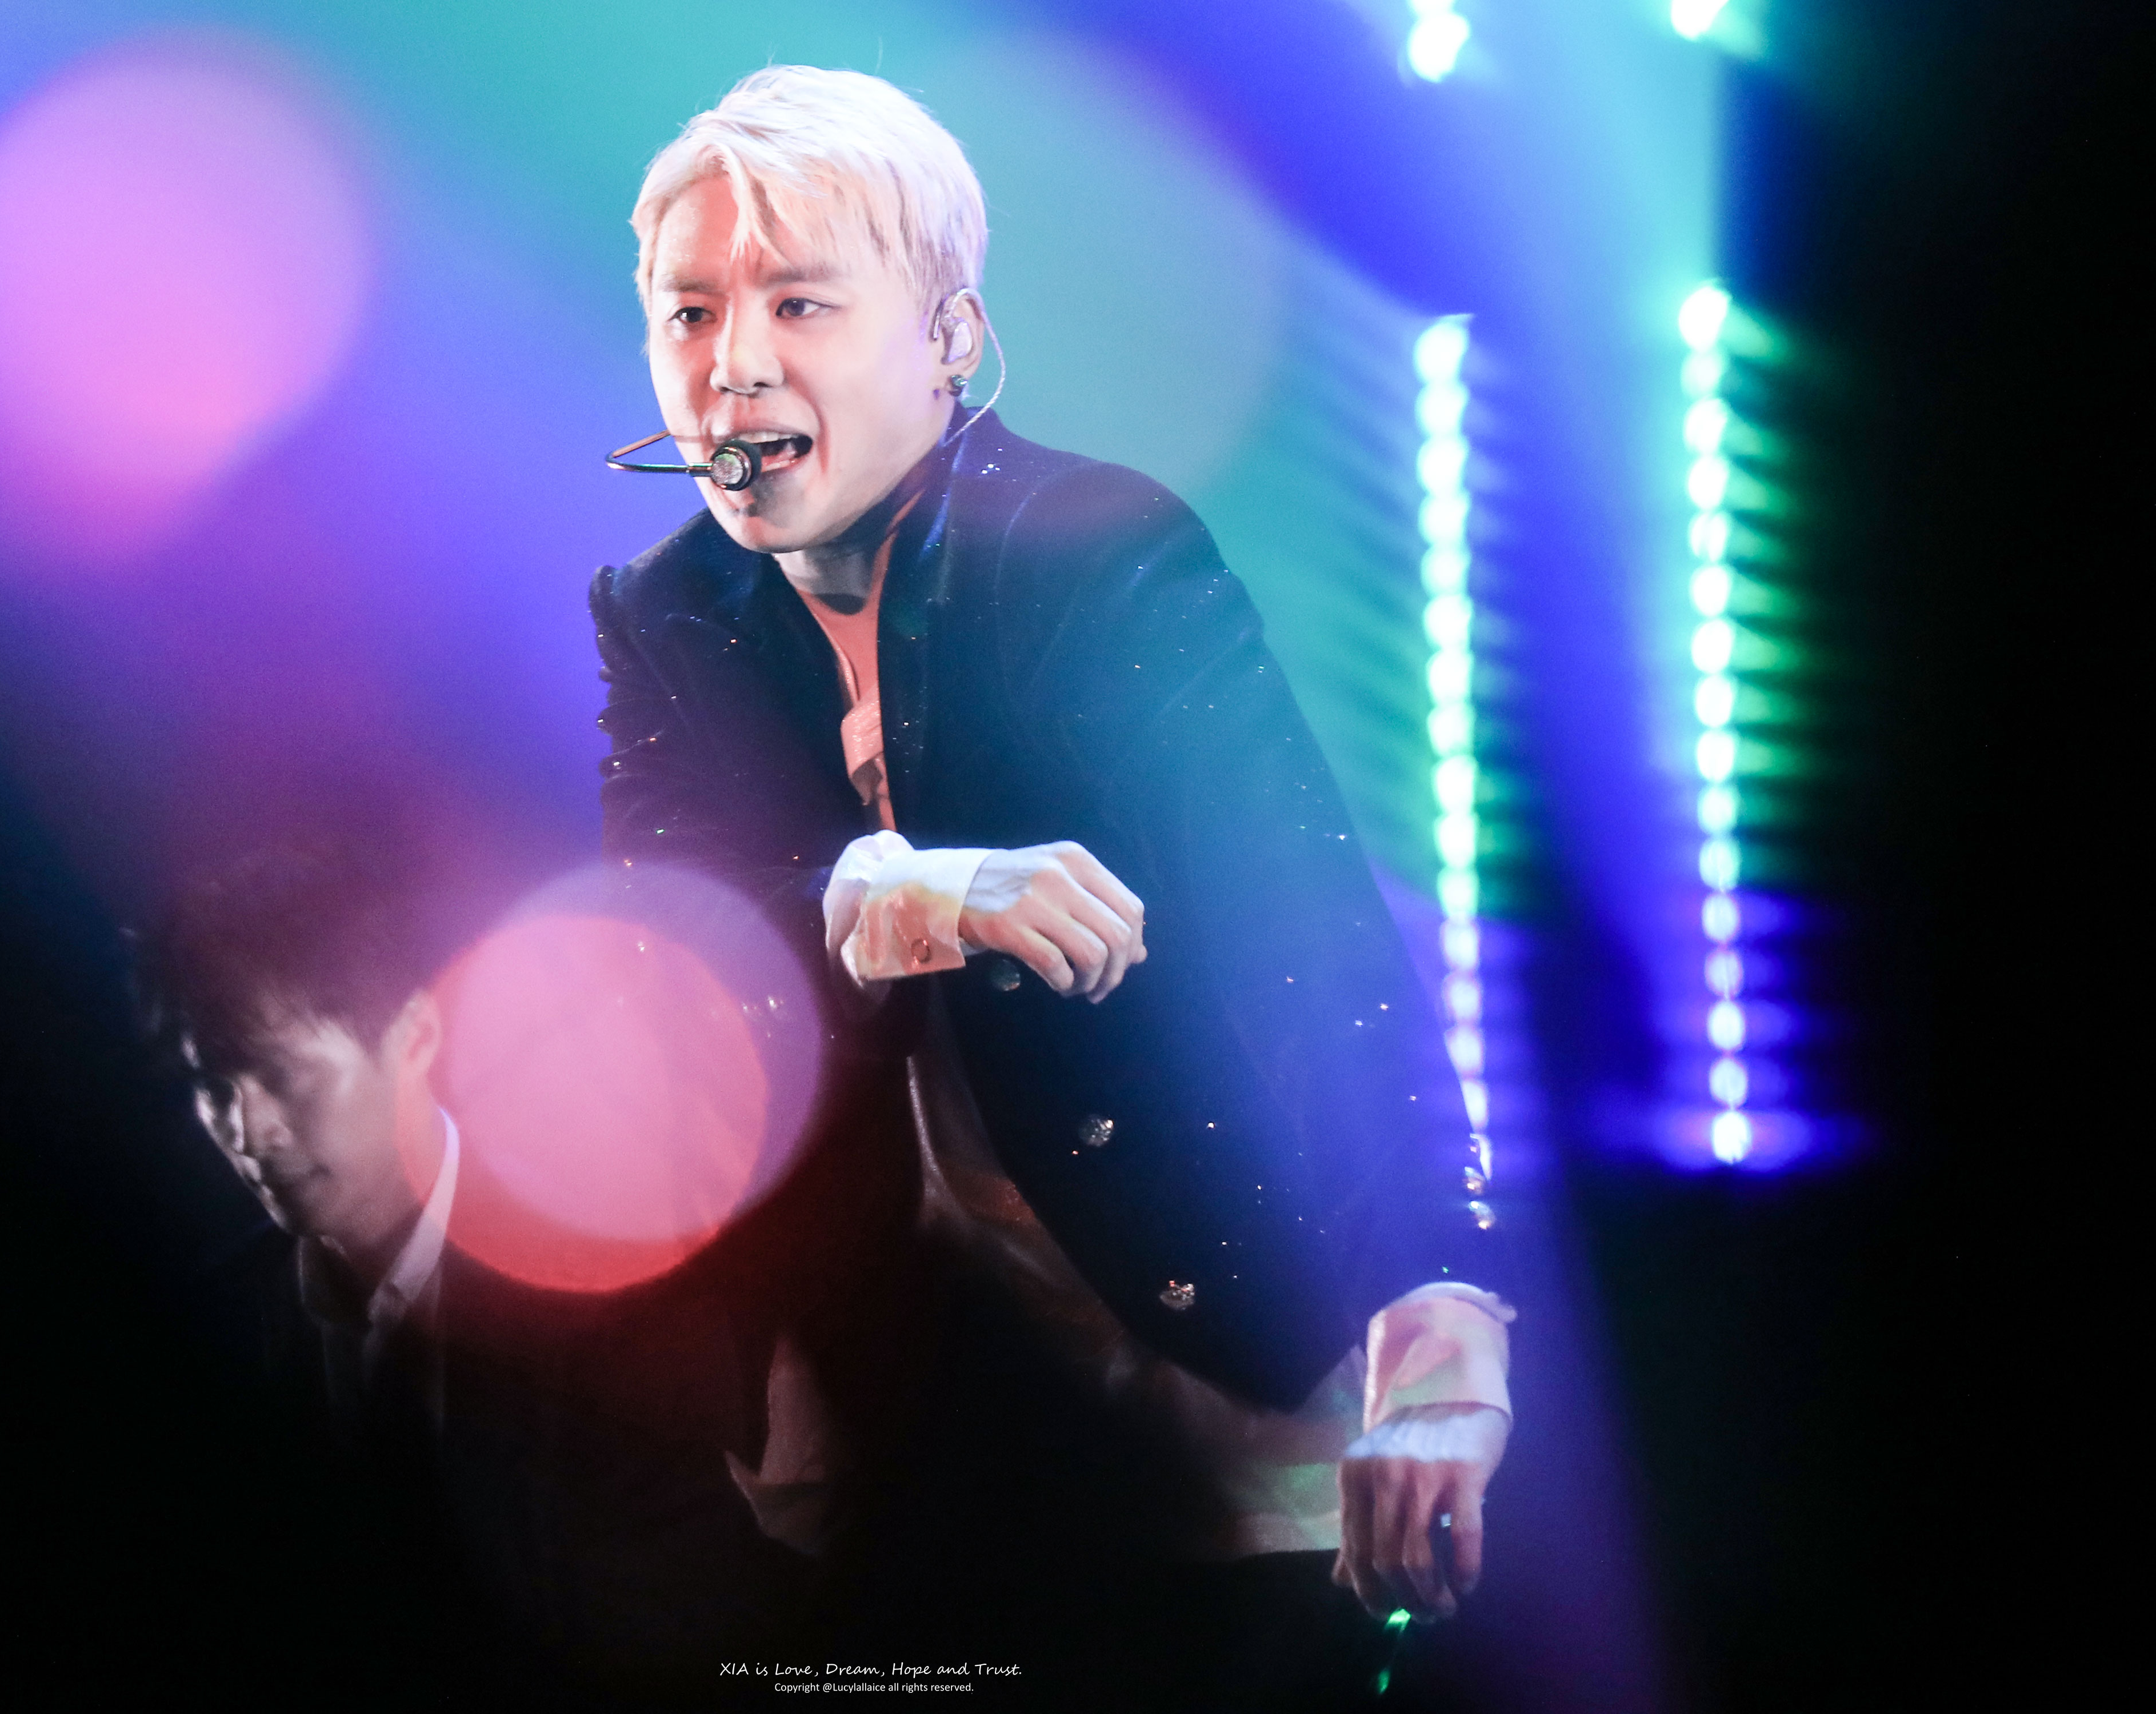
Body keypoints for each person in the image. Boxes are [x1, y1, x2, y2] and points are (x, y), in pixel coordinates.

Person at [592, 66, 1515, 1703]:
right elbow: (673, 931)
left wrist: (1439, 1335)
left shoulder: (1096, 550)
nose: (731, 365)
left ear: (950, 337)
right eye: (690, 312)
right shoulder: (668, 608)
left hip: (1201, 1345)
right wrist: (908, 891)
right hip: (901, 1415)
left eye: (800, 302)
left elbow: (1311, 946)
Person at [141, 836, 810, 1700]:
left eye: (282, 1074)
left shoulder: (619, 1290)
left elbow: (706, 1631)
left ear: (417, 1036)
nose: (247, 1131)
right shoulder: (221, 1313)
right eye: (213, 1085)